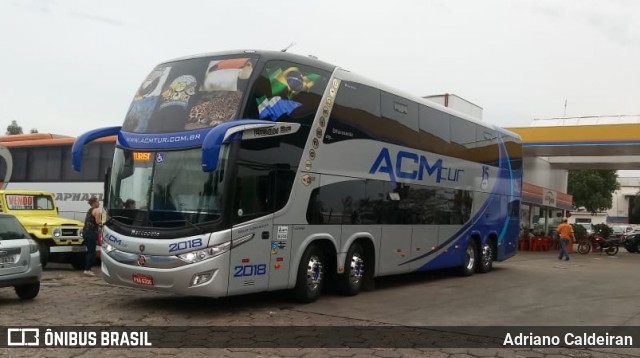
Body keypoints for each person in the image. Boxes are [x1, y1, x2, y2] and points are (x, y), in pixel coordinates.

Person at [83, 196, 102, 276]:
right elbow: (98, 222)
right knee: (92, 252)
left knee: (89, 251)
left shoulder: (89, 210)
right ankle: (87, 269)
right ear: (94, 203)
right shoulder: (96, 210)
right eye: (98, 201)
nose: (99, 203)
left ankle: (87, 268)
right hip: (91, 232)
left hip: (85, 231)